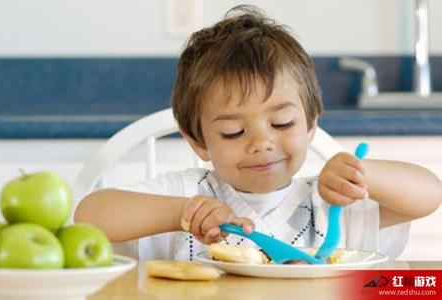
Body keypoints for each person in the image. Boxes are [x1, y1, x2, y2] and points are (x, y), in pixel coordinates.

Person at [74, 5, 442, 262]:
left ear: (311, 124)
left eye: (282, 124)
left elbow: (429, 194)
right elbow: (89, 214)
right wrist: (181, 214)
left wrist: (363, 175)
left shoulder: (332, 206)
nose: (261, 143)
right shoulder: (189, 195)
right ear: (198, 142)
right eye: (233, 132)